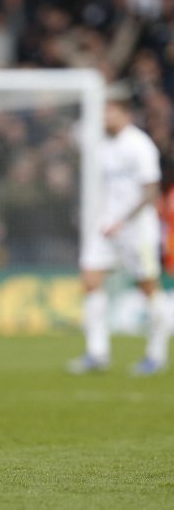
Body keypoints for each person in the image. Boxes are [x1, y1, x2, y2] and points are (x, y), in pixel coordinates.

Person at [68, 96, 170, 375]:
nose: (104, 117)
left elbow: (151, 190)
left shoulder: (140, 145)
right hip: (107, 226)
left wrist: (123, 221)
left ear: (125, 114)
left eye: (109, 112)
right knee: (90, 278)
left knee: (148, 286)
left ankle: (156, 354)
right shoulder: (103, 144)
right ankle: (97, 352)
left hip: (137, 229)